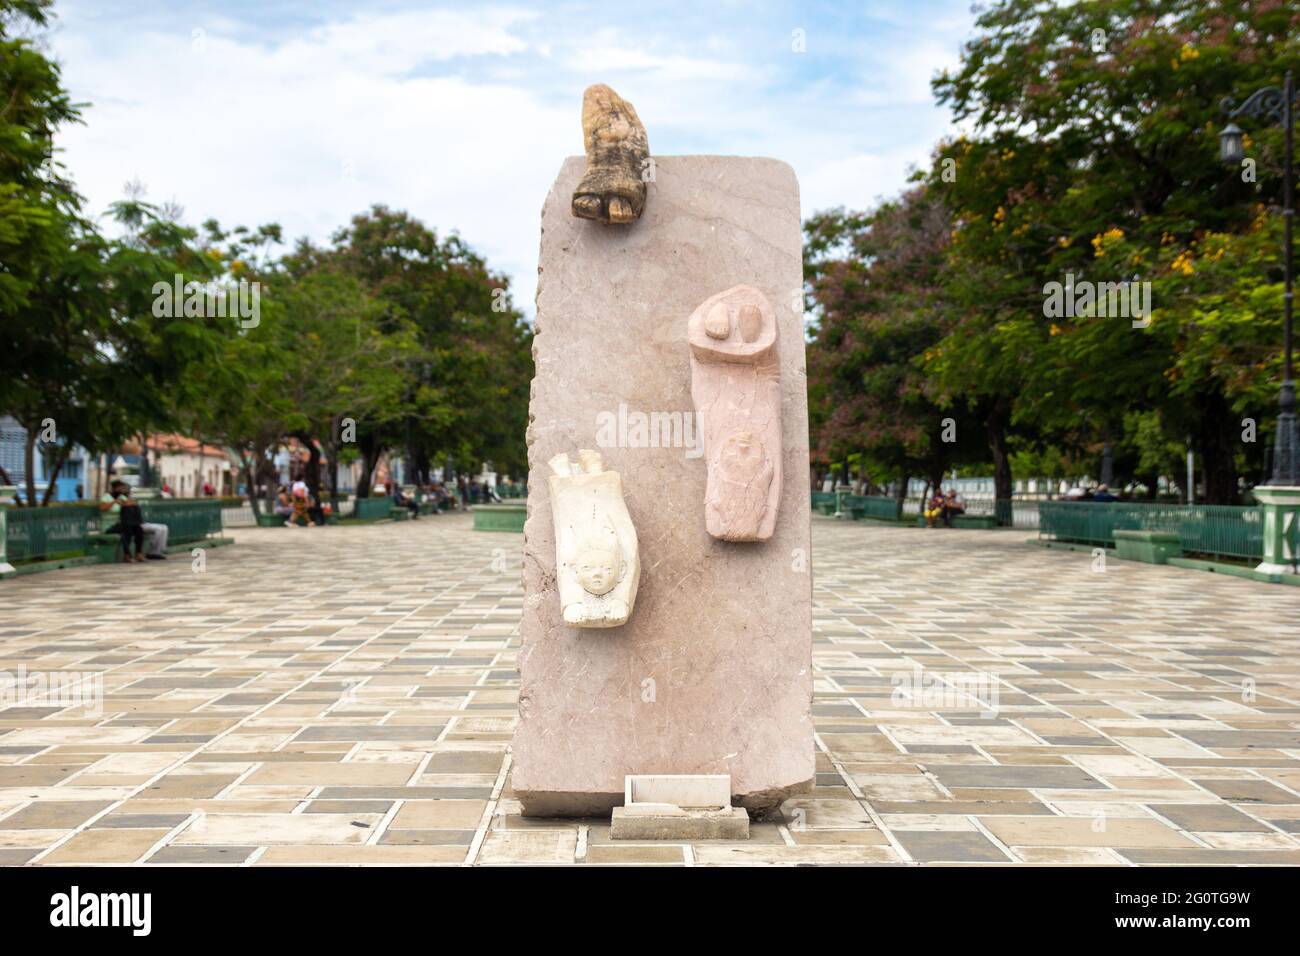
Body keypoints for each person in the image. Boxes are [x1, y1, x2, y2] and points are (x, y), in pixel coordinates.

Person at [100, 479, 168, 560]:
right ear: (114, 488)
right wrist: (114, 502)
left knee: (138, 529)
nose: (121, 490)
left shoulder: (122, 497)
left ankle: (138, 553)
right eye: (120, 488)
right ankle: (127, 554)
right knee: (127, 529)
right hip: (110, 525)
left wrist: (126, 501)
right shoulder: (106, 497)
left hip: (124, 523)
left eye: (122, 488)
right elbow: (103, 508)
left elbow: (132, 503)